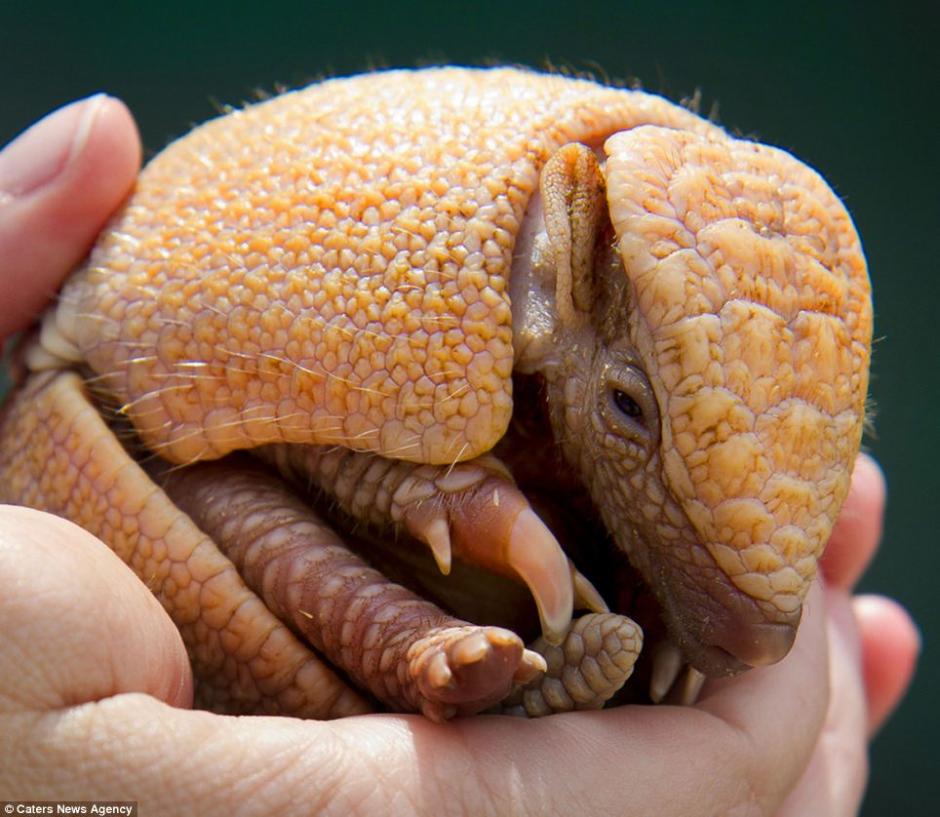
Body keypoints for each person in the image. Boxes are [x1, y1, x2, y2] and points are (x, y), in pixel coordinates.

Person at [0, 95, 920, 816]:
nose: (758, 653)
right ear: (562, 263)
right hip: (156, 465)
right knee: (238, 497)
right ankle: (410, 648)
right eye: (629, 407)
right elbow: (226, 419)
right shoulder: (412, 234)